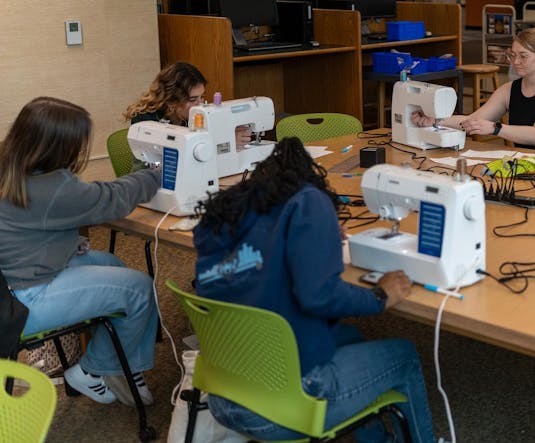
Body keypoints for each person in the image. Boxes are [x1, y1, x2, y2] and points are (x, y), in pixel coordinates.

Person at [192, 137, 437, 442]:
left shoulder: (226, 216)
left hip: (222, 391)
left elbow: (263, 261)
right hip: (284, 403)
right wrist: (379, 296)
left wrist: (321, 238)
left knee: (351, 338)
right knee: (405, 355)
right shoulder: (308, 200)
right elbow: (319, 295)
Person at [0, 97, 160, 406]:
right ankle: (91, 370)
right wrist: (157, 173)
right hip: (28, 299)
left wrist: (66, 243)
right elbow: (112, 198)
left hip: (12, 283)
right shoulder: (52, 186)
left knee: (113, 265)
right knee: (141, 290)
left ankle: (120, 364)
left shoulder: (9, 167)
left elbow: (23, 227)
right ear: (58, 147)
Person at [413, 28, 535, 155]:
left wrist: (495, 128)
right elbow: (473, 120)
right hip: (527, 162)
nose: (516, 62)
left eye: (523, 56)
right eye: (513, 55)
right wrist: (435, 121)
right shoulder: (509, 90)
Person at [124, 61, 250, 149]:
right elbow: (177, 155)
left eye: (202, 97)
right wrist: (226, 143)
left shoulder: (194, 117)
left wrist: (227, 135)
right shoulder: (146, 120)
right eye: (193, 99)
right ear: (172, 100)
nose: (200, 104)